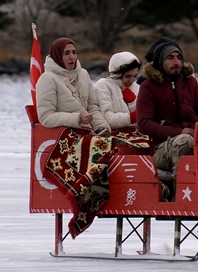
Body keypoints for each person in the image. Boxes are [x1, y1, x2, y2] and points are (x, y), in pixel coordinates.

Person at [37, 38, 147, 238]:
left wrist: (102, 127)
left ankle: (135, 186)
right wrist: (77, 119)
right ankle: (92, 192)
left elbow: (93, 107)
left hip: (90, 131)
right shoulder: (47, 79)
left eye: (74, 52)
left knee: (118, 142)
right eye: (67, 53)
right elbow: (45, 117)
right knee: (103, 147)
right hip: (67, 135)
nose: (72, 57)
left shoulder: (83, 74)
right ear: (57, 56)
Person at [137, 38, 198, 183]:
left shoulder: (191, 82)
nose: (176, 62)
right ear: (160, 62)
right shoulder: (148, 86)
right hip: (162, 148)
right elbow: (143, 124)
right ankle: (184, 193)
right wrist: (178, 133)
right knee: (184, 141)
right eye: (170, 58)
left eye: (179, 57)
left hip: (195, 138)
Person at [93, 51, 141, 131]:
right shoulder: (102, 86)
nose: (132, 80)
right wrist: (131, 117)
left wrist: (133, 101)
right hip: (113, 134)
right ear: (117, 74)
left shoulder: (136, 87)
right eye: (128, 76)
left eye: (135, 76)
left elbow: (145, 116)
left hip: (137, 133)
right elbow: (107, 119)